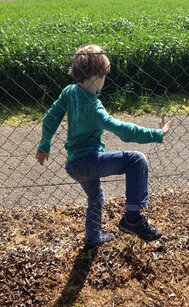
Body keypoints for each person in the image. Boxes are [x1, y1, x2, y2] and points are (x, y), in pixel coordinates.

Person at [36, 44, 173, 250]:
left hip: (74, 164)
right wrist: (157, 133)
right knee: (136, 160)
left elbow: (50, 119)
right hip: (89, 162)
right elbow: (123, 131)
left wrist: (44, 145)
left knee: (96, 196)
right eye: (105, 75)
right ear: (97, 75)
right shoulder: (94, 108)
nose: (105, 79)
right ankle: (133, 220)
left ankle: (93, 239)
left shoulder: (70, 91)